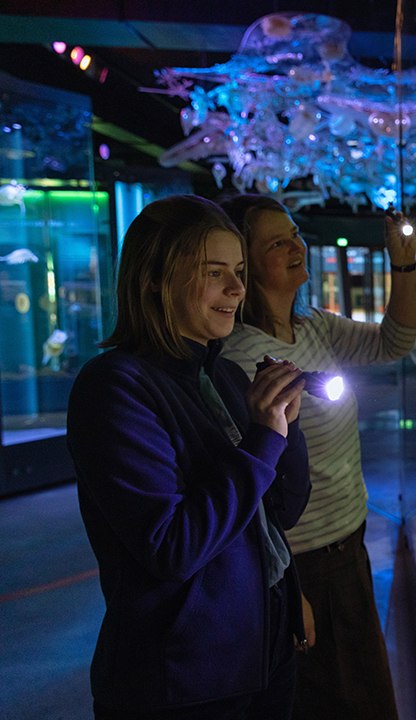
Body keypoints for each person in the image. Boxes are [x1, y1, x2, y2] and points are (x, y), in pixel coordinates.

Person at [67, 194, 312, 719]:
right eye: (214, 272)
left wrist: (286, 425)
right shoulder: (114, 387)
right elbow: (172, 547)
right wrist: (264, 439)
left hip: (262, 655)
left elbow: (280, 512)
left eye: (240, 270)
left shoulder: (221, 373)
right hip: (184, 683)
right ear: (155, 277)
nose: (237, 288)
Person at [218, 194, 416, 720]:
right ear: (243, 261)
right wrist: (285, 583)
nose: (294, 247)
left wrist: (403, 261)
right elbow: (249, 484)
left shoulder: (315, 327)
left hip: (348, 548)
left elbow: (395, 340)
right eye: (275, 242)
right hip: (304, 567)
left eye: (295, 234)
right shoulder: (239, 353)